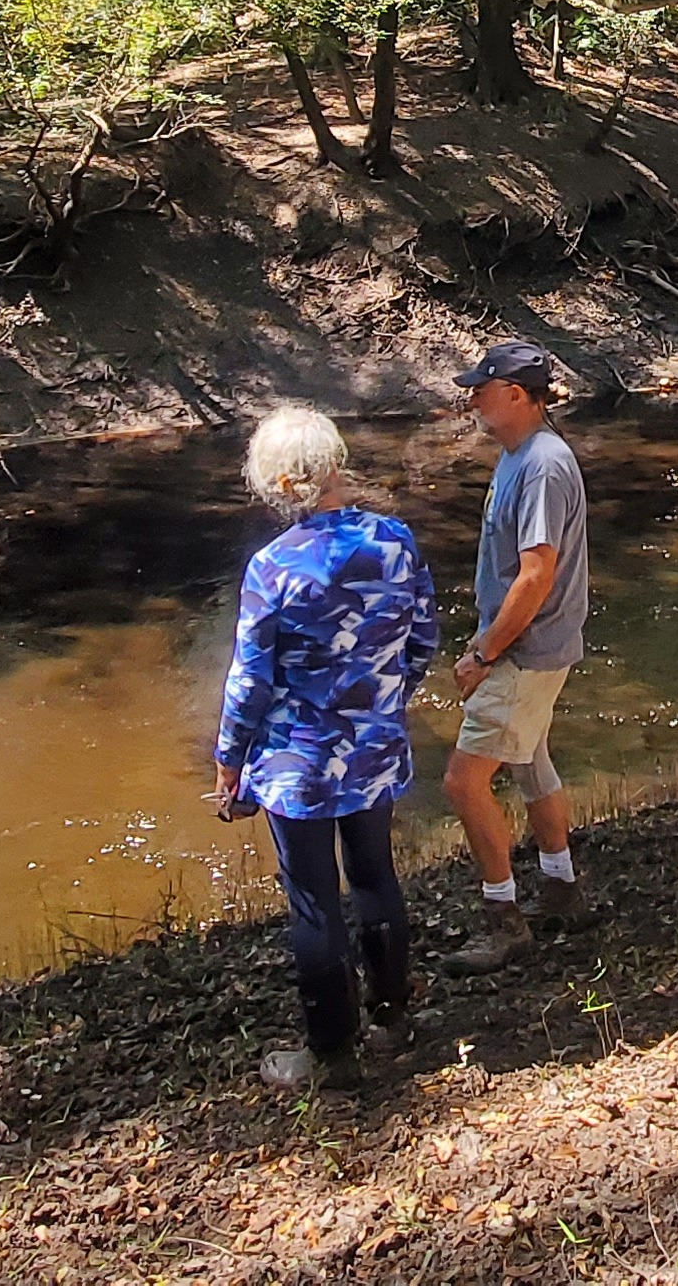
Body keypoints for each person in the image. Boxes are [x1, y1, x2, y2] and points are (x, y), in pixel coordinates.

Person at [209, 404, 434, 1089]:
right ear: (335, 466)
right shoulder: (395, 540)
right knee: (375, 877)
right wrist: (382, 706)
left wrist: (228, 762)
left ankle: (332, 1054)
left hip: (297, 764)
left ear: (277, 484)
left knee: (313, 900)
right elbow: (421, 642)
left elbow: (250, 679)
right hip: (374, 747)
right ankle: (393, 1022)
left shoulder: (273, 566)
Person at [438, 339, 593, 974]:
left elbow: (535, 576)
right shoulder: (520, 457)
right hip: (529, 648)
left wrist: (483, 651)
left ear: (516, 395)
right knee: (531, 764)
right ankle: (562, 890)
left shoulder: (543, 466)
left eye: (481, 387)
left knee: (463, 781)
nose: (471, 396)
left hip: (523, 652)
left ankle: (505, 921)